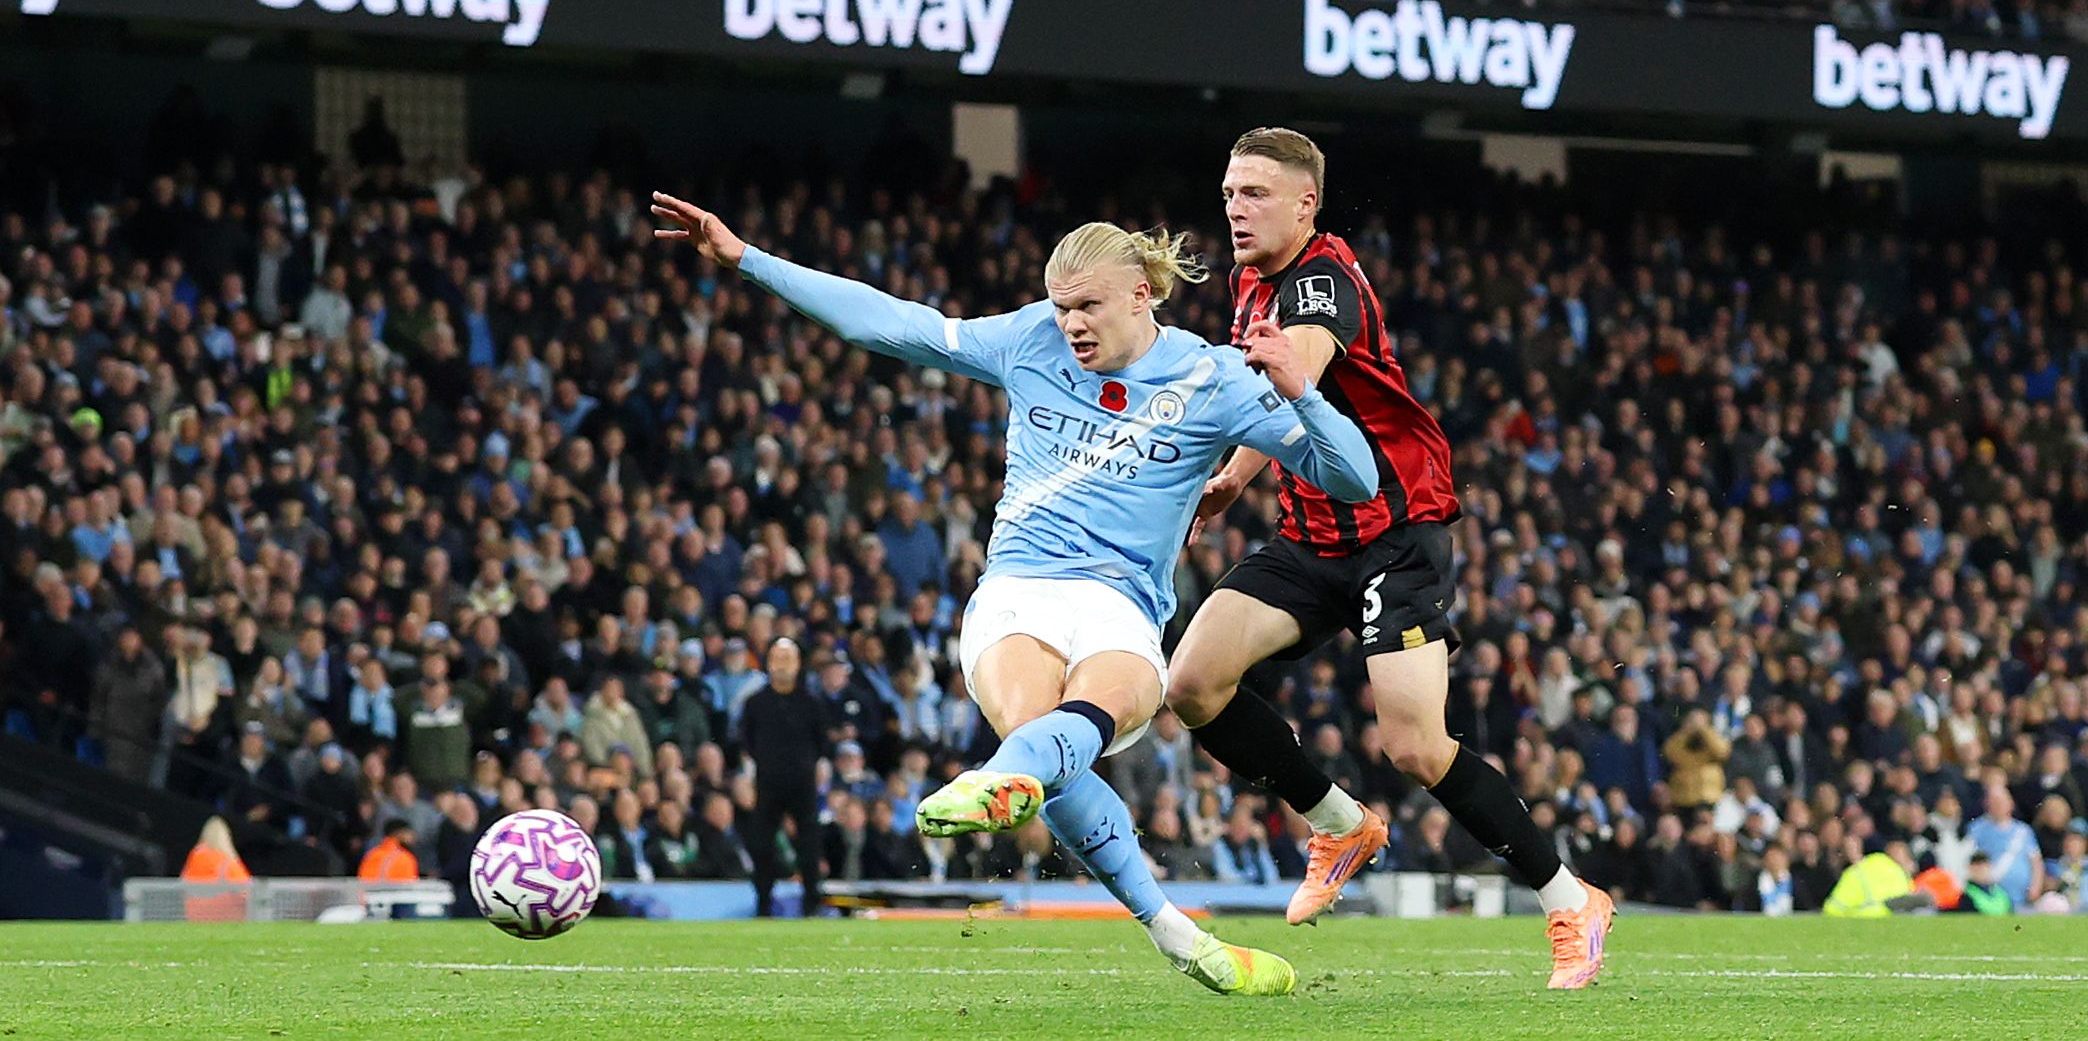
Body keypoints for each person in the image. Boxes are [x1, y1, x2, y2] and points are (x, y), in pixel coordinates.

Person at [654, 190, 1380, 995]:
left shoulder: (1213, 378)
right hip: (1019, 589)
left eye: (1088, 306)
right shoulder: (1030, 338)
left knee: (1103, 710)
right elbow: (888, 324)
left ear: (1141, 294)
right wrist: (746, 258)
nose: (1071, 324)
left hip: (1122, 602)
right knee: (1042, 740)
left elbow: (1356, 478)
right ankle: (1075, 838)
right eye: (1061, 306)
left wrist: (1302, 393)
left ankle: (1146, 907)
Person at [1163, 128, 1613, 990]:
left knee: (1414, 747)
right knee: (1191, 682)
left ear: (1306, 203)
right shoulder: (1250, 280)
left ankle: (1570, 898)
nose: (1235, 209)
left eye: (1255, 193)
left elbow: (1295, 372)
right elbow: (1275, 402)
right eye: (1228, 193)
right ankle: (1340, 822)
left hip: (1395, 536)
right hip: (1311, 534)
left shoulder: (1322, 281)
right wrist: (1233, 478)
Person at [737, 637, 828, 917]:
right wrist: (747, 778)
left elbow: (822, 745)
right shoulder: (755, 703)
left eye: (788, 659)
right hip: (767, 783)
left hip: (803, 783)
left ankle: (812, 903)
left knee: (809, 844)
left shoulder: (811, 703)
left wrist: (819, 773)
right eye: (777, 658)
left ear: (798, 664)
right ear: (768, 663)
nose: (782, 665)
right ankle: (763, 903)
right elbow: (746, 745)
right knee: (762, 844)